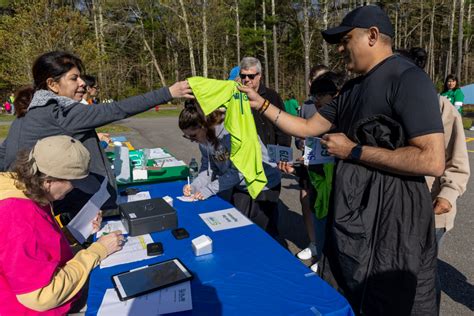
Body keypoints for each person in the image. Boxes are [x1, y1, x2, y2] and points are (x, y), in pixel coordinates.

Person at [237, 5, 444, 315]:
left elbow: (431, 159)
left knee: (390, 298)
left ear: (372, 36)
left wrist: (353, 151)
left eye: (346, 39)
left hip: (393, 217)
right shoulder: (352, 88)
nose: (340, 48)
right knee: (348, 290)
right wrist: (262, 104)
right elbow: (306, 127)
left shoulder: (407, 78)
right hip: (353, 211)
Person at [0, 51, 192, 223]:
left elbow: (5, 153)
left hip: (27, 201)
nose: (82, 83)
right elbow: (117, 109)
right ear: (52, 84)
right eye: (74, 78)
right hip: (56, 205)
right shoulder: (60, 113)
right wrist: (168, 93)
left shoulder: (31, 111)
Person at [0, 135, 124, 315]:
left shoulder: (18, 186)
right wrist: (97, 251)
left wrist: (72, 235)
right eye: (72, 182)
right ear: (48, 180)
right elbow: (42, 296)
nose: (74, 188)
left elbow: (37, 246)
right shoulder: (20, 219)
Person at [179, 101, 282, 236]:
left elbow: (238, 171)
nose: (192, 140)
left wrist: (208, 190)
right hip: (241, 186)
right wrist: (195, 186)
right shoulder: (203, 141)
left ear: (203, 126)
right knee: (239, 229)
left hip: (264, 183)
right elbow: (209, 169)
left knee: (262, 233)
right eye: (187, 137)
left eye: (193, 135)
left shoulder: (232, 132)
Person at [279, 73, 341, 273]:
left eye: (320, 98)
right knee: (319, 218)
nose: (315, 103)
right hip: (318, 181)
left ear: (335, 94)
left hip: (339, 186)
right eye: (313, 98)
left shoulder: (347, 120)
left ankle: (328, 263)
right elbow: (310, 152)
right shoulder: (313, 110)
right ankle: (321, 256)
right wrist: (297, 167)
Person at [239, 57, 291, 147]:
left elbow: (282, 126)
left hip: (268, 153)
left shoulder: (272, 96)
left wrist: (283, 151)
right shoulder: (236, 96)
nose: (246, 79)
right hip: (243, 152)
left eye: (251, 76)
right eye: (243, 76)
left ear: (259, 76)